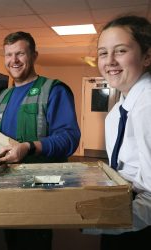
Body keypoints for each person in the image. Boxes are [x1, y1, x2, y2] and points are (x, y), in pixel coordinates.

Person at [0, 31, 81, 250]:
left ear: (34, 56)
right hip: (7, 184)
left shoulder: (54, 90)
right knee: (12, 240)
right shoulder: (4, 96)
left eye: (20, 53)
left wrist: (29, 147)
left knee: (34, 240)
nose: (14, 60)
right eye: (8, 54)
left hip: (41, 182)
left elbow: (69, 138)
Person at [84, 15, 151, 249]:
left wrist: (99, 219)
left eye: (120, 51)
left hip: (140, 224)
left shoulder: (148, 104)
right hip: (123, 211)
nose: (109, 61)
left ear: (147, 56)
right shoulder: (118, 110)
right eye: (103, 53)